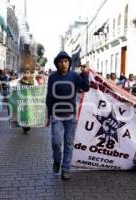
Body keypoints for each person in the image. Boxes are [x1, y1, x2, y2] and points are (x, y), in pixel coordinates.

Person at [45, 51, 89, 180]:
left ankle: (65, 169)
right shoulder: (53, 77)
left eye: (65, 61)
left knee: (69, 143)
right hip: (56, 115)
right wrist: (48, 115)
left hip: (70, 115)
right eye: (60, 62)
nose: (63, 64)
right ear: (57, 64)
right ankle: (57, 160)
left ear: (69, 63)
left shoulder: (74, 76)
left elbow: (85, 88)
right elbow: (49, 96)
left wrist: (85, 74)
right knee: (56, 142)